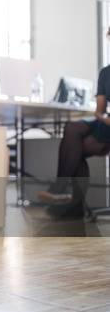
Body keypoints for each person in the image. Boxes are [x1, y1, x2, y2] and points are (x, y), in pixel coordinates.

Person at [38, 53, 110, 216]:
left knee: (76, 150)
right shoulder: (105, 72)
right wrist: (105, 119)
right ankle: (64, 194)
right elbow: (100, 112)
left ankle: (70, 202)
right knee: (71, 128)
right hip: (106, 122)